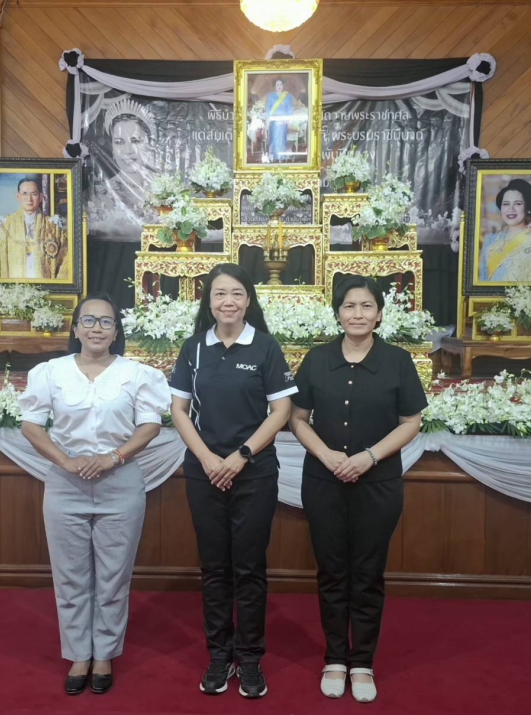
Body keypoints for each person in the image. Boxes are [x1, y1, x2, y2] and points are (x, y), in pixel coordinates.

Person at [19, 292, 170, 696]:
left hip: (120, 482)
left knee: (113, 577)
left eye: (106, 322)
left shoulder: (137, 374)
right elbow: (31, 424)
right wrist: (65, 461)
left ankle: (104, 653)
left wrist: (113, 457)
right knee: (70, 576)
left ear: (116, 331)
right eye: (88, 320)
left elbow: (150, 425)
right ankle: (78, 655)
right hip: (65, 484)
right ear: (75, 328)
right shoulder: (51, 372)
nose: (97, 328)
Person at [289, 276, 427, 704]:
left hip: (378, 483)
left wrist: (370, 456)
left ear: (379, 314)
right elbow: (297, 418)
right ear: (338, 313)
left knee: (367, 574)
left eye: (367, 306)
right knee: (332, 571)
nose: (358, 314)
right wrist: (327, 455)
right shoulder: (317, 359)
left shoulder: (397, 361)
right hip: (323, 481)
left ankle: (362, 662)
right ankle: (335, 658)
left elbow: (412, 422)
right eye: (349, 306)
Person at [169, 263, 297, 699]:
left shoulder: (265, 347)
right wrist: (208, 459)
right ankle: (219, 655)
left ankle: (251, 657)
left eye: (237, 293)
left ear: (248, 301)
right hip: (204, 472)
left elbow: (281, 411)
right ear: (209, 301)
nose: (229, 301)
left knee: (249, 568)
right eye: (220, 293)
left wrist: (241, 456)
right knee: (214, 568)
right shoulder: (194, 348)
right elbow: (179, 410)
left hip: (253, 472)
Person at [86, 97, 158, 239]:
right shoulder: (101, 195)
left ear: (148, 145)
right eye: (119, 142)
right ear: (112, 149)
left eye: (135, 141)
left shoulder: (165, 191)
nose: (128, 150)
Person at [478, 178, 531, 283]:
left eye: (517, 204)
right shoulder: (490, 241)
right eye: (506, 204)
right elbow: (483, 282)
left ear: (528, 208)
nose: (511, 209)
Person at [0, 176, 68, 280]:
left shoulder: (53, 227)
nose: (29, 199)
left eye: (34, 194)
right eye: (24, 194)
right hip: (15, 287)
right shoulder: (4, 226)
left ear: (41, 197)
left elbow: (65, 257)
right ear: (18, 196)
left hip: (45, 285)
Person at [265, 78, 294, 162]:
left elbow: (289, 109)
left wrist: (290, 120)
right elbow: (268, 109)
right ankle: (275, 158)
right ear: (274, 86)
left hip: (284, 122)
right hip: (274, 122)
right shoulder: (271, 96)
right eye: (277, 85)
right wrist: (267, 121)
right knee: (274, 139)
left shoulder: (288, 96)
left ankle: (282, 158)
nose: (279, 86)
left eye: (281, 84)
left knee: (282, 139)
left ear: (283, 86)